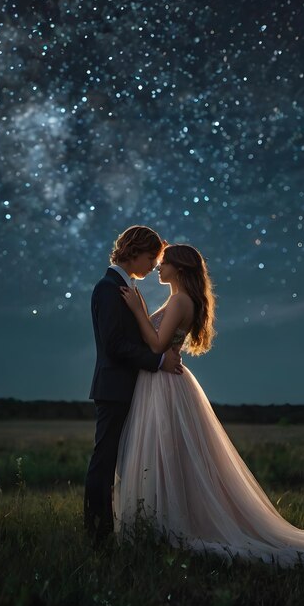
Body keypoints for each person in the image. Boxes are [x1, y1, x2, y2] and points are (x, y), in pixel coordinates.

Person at [115, 243, 304, 566]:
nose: (158, 267)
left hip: (164, 383)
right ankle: (160, 521)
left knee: (166, 451)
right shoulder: (178, 299)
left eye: (164, 263)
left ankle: (169, 525)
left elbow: (155, 343)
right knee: (166, 452)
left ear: (179, 268)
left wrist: (138, 311)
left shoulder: (181, 300)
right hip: (161, 381)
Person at [84, 225, 183, 543]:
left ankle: (133, 526)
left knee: (127, 460)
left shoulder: (124, 288)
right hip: (114, 388)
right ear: (136, 252)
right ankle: (97, 534)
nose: (154, 265)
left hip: (129, 388)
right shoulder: (108, 287)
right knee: (105, 460)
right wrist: (158, 361)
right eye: (152, 258)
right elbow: (114, 345)